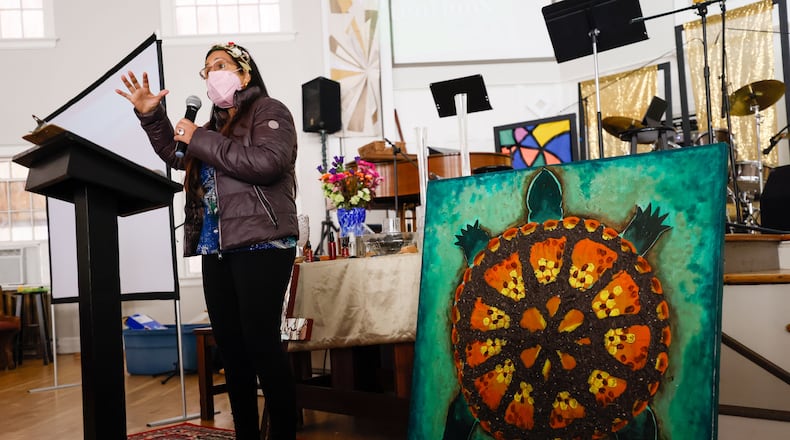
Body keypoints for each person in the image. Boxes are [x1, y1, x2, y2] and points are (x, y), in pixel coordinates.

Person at [116, 42, 299, 440]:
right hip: (216, 247)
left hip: (263, 243)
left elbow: (267, 164)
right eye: (207, 68)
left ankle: (284, 432)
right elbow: (179, 153)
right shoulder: (211, 129)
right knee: (231, 351)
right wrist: (152, 116)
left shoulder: (270, 111)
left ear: (244, 73)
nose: (212, 73)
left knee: (260, 345)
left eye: (221, 65)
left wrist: (200, 137)